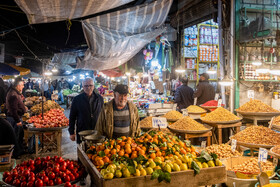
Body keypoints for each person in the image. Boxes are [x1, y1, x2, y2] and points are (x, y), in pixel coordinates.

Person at [69, 78, 104, 143]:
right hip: (83, 131)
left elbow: (103, 115)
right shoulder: (77, 99)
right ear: (82, 87)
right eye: (86, 86)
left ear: (93, 86)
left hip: (97, 130)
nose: (88, 87)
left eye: (90, 85)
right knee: (82, 150)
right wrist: (71, 132)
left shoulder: (99, 98)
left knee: (97, 150)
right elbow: (72, 117)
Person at [6, 77, 27, 155]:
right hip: (14, 119)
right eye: (22, 85)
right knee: (15, 137)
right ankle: (16, 153)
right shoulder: (13, 95)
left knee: (19, 136)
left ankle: (20, 150)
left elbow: (16, 106)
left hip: (15, 118)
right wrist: (18, 121)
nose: (23, 87)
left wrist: (23, 107)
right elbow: (13, 110)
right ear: (18, 85)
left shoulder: (15, 93)